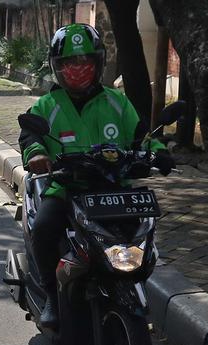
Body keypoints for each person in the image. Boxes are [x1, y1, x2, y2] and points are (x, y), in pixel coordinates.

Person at [18, 23, 172, 329]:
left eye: (85, 62)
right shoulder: (47, 105)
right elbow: (29, 137)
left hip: (114, 190)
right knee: (45, 228)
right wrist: (35, 155)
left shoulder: (117, 101)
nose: (78, 69)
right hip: (66, 189)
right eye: (69, 63)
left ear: (98, 63)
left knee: (142, 234)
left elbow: (142, 137)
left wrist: (158, 152)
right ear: (57, 67)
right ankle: (51, 294)